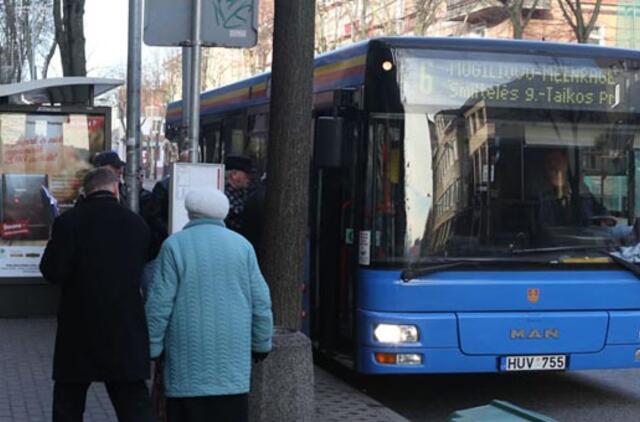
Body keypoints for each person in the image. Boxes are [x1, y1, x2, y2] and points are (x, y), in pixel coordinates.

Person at [145, 188, 273, 422]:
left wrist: (152, 348)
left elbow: (159, 304)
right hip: (232, 368)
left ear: (190, 213)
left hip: (186, 366)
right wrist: (261, 343)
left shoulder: (174, 246)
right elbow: (261, 302)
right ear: (222, 214)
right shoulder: (242, 246)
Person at [40, 167, 154, 422]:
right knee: (133, 405)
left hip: (78, 328)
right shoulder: (136, 224)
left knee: (68, 405)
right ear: (115, 188)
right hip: (124, 328)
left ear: (86, 191)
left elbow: (52, 272)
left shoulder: (68, 223)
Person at [538, 150, 610, 227]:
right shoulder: (542, 198)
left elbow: (603, 216)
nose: (553, 165)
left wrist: (604, 221)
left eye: (556, 160)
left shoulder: (582, 192)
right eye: (548, 162)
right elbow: (546, 228)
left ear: (566, 162)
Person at [224, 155, 255, 233]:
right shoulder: (224, 195)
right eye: (247, 174)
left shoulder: (244, 193)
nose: (250, 177)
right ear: (234, 174)